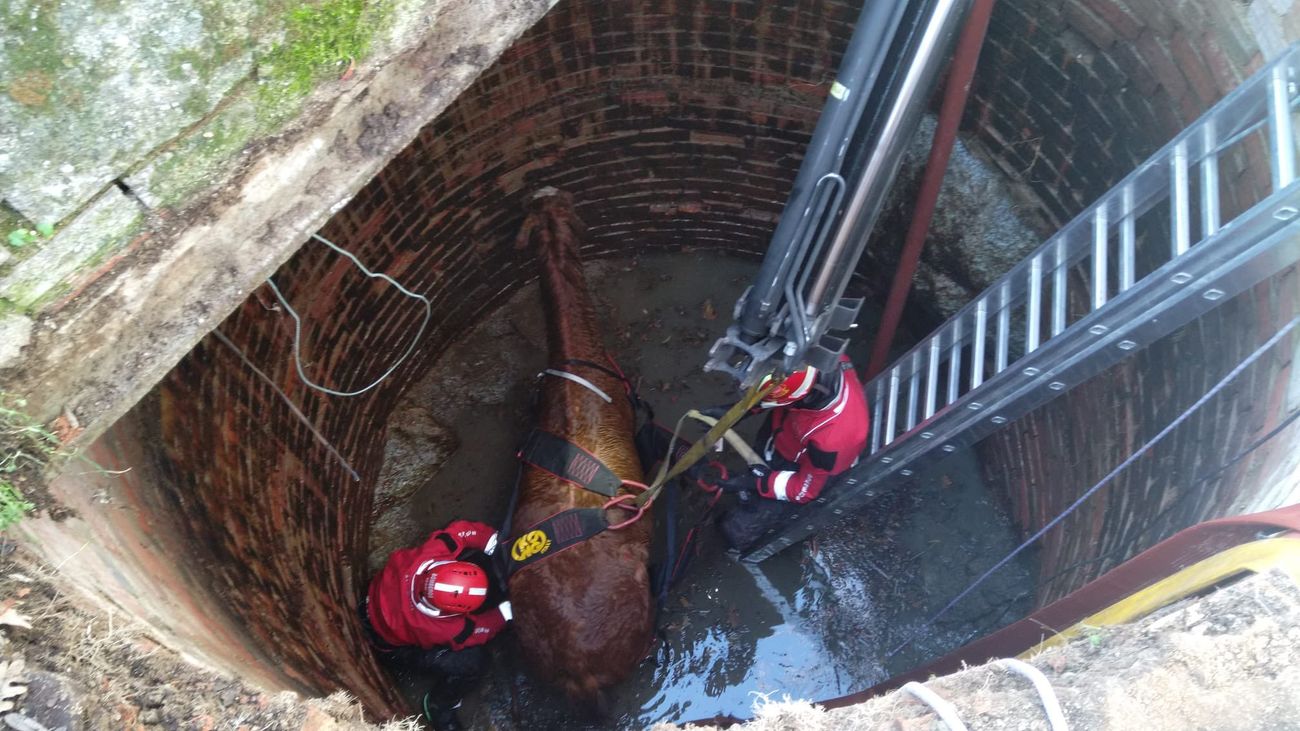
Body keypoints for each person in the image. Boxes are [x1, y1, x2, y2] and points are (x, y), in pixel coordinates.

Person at [359, 519, 512, 731]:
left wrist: (490, 540)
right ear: (450, 612)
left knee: (478, 553)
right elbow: (479, 631)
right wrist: (503, 614)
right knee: (474, 662)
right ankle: (440, 704)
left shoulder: (430, 554)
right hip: (388, 645)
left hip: (376, 596)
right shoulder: (440, 627)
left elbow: (459, 532)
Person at [712, 354, 870, 551]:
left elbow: (805, 490)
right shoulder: (817, 360)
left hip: (803, 471)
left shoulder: (831, 440)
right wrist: (732, 414)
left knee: (736, 531)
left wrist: (758, 482)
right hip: (785, 433)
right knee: (760, 457)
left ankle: (738, 540)